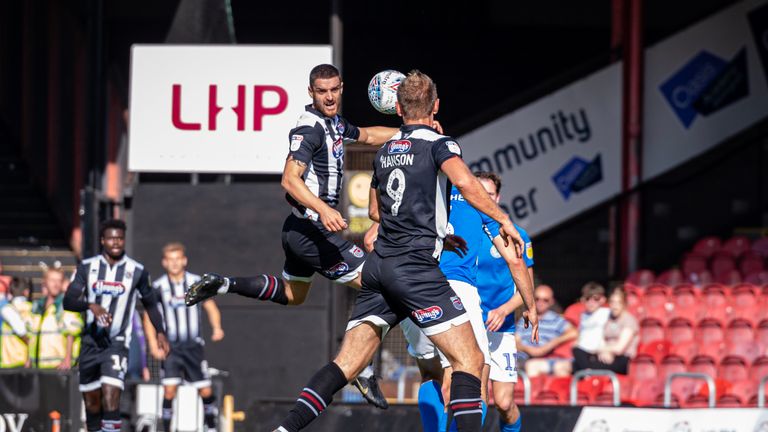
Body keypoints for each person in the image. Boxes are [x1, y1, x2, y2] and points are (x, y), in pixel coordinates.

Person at [272, 70, 537, 432]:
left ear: (397, 107)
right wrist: (503, 219)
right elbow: (464, 181)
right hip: (416, 271)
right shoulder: (440, 144)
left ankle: (284, 428)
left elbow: (377, 213)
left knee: (345, 365)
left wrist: (439, 233)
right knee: (470, 360)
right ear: (436, 106)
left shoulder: (384, 154)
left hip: (380, 268)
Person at [184, 64, 399, 408]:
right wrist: (324, 210)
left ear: (341, 88)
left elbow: (370, 136)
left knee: (293, 294)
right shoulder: (309, 128)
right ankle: (362, 366)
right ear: (310, 92)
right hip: (313, 231)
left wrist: (414, 130)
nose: (328, 97)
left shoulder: (336, 124)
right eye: (321, 91)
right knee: (384, 283)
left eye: (333, 90)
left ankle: (223, 284)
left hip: (298, 231)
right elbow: (289, 179)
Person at [64, 219, 169, 432]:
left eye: (120, 238)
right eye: (111, 238)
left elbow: (151, 304)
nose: (116, 242)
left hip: (117, 343)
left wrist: (160, 331)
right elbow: (69, 301)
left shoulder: (137, 271)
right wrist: (90, 305)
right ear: (103, 240)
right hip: (90, 342)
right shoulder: (87, 267)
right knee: (93, 404)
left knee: (111, 394)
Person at [470, 171, 535, 432]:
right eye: (480, 194)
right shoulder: (462, 231)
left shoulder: (517, 235)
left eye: (490, 195)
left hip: (503, 328)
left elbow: (527, 288)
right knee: (478, 399)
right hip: (471, 326)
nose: (484, 199)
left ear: (498, 197)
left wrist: (504, 309)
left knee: (505, 403)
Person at [146, 242, 224, 432]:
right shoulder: (158, 286)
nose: (174, 263)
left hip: (193, 346)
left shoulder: (195, 282)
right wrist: (153, 344)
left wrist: (217, 327)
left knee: (205, 389)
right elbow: (148, 317)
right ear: (164, 262)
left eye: (177, 259)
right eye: (170, 260)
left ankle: (211, 427)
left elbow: (210, 306)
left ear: (184, 260)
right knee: (169, 390)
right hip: (171, 347)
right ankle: (166, 428)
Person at [572, 286, 638, 374]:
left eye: (618, 303)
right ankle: (587, 373)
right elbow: (602, 339)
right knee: (577, 352)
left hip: (621, 359)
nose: (614, 306)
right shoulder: (609, 319)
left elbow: (619, 348)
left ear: (624, 304)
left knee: (578, 365)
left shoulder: (628, 320)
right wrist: (603, 352)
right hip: (605, 356)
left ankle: (588, 373)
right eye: (612, 302)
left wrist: (602, 350)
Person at [516, 284, 577, 377]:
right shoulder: (525, 318)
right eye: (537, 299)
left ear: (551, 302)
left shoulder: (556, 319)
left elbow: (574, 333)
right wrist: (528, 349)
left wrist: (552, 343)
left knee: (532, 366)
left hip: (542, 358)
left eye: (545, 300)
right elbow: (516, 341)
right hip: (521, 356)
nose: (540, 302)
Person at [30, 268, 83, 369]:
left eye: (59, 280)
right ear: (45, 282)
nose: (56, 284)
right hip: (38, 366)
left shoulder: (66, 305)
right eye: (52, 280)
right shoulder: (38, 306)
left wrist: (67, 359)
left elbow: (71, 333)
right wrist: (28, 359)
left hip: (58, 367)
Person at [570, 282, 610, 375]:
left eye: (596, 299)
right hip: (583, 352)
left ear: (603, 299)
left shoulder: (606, 313)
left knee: (576, 350)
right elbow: (580, 335)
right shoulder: (583, 316)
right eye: (588, 298)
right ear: (583, 300)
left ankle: (588, 374)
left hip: (597, 352)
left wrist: (607, 349)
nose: (591, 302)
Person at [0, 277, 32, 368]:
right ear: (26, 292)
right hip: (26, 361)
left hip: (11, 361)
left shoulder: (7, 309)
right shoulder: (32, 308)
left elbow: (21, 331)